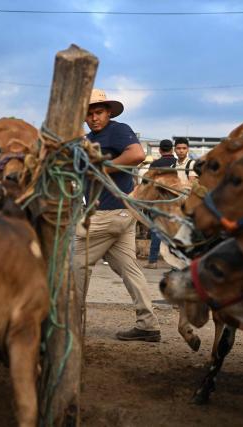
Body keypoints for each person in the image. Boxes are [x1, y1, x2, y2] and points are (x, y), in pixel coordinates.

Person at [74, 88, 161, 342]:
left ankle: (69, 322)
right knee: (129, 268)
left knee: (75, 264)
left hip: (107, 214)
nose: (94, 118)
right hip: (120, 214)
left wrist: (102, 167)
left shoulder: (118, 129)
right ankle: (148, 324)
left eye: (98, 112)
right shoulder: (87, 141)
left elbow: (137, 154)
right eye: (88, 114)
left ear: (108, 112)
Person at [144, 139, 177, 269]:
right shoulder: (177, 163)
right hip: (174, 202)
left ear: (160, 150)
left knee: (156, 232)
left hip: (158, 201)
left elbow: (149, 184)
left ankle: (152, 261)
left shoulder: (155, 164)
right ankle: (174, 264)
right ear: (172, 150)